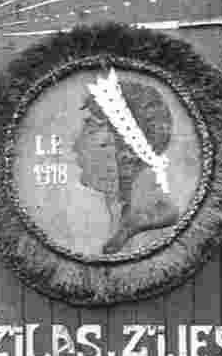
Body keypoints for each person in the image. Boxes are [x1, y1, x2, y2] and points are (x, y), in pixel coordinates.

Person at [72, 68, 181, 254]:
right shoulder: (121, 214)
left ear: (126, 154)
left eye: (91, 131)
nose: (76, 146)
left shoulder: (157, 232)